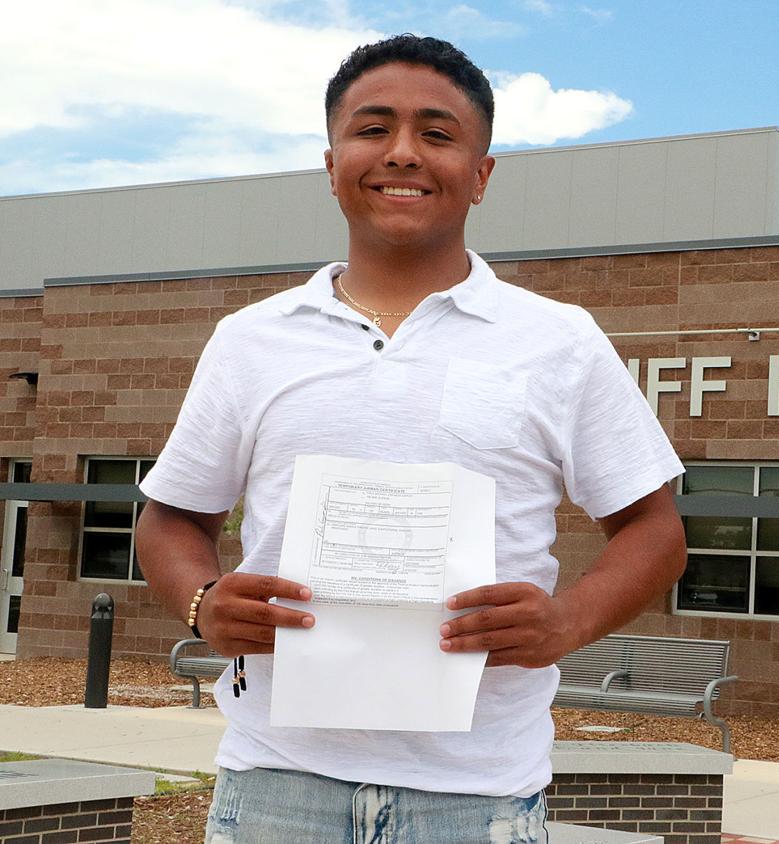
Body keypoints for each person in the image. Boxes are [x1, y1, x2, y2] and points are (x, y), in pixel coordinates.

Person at [134, 33, 686, 844]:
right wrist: (202, 602)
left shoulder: (559, 341)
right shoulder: (251, 340)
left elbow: (656, 530)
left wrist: (565, 623)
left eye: (437, 133)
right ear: (330, 164)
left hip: (478, 794)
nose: (402, 154)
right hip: (276, 786)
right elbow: (171, 516)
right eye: (372, 129)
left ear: (482, 174)